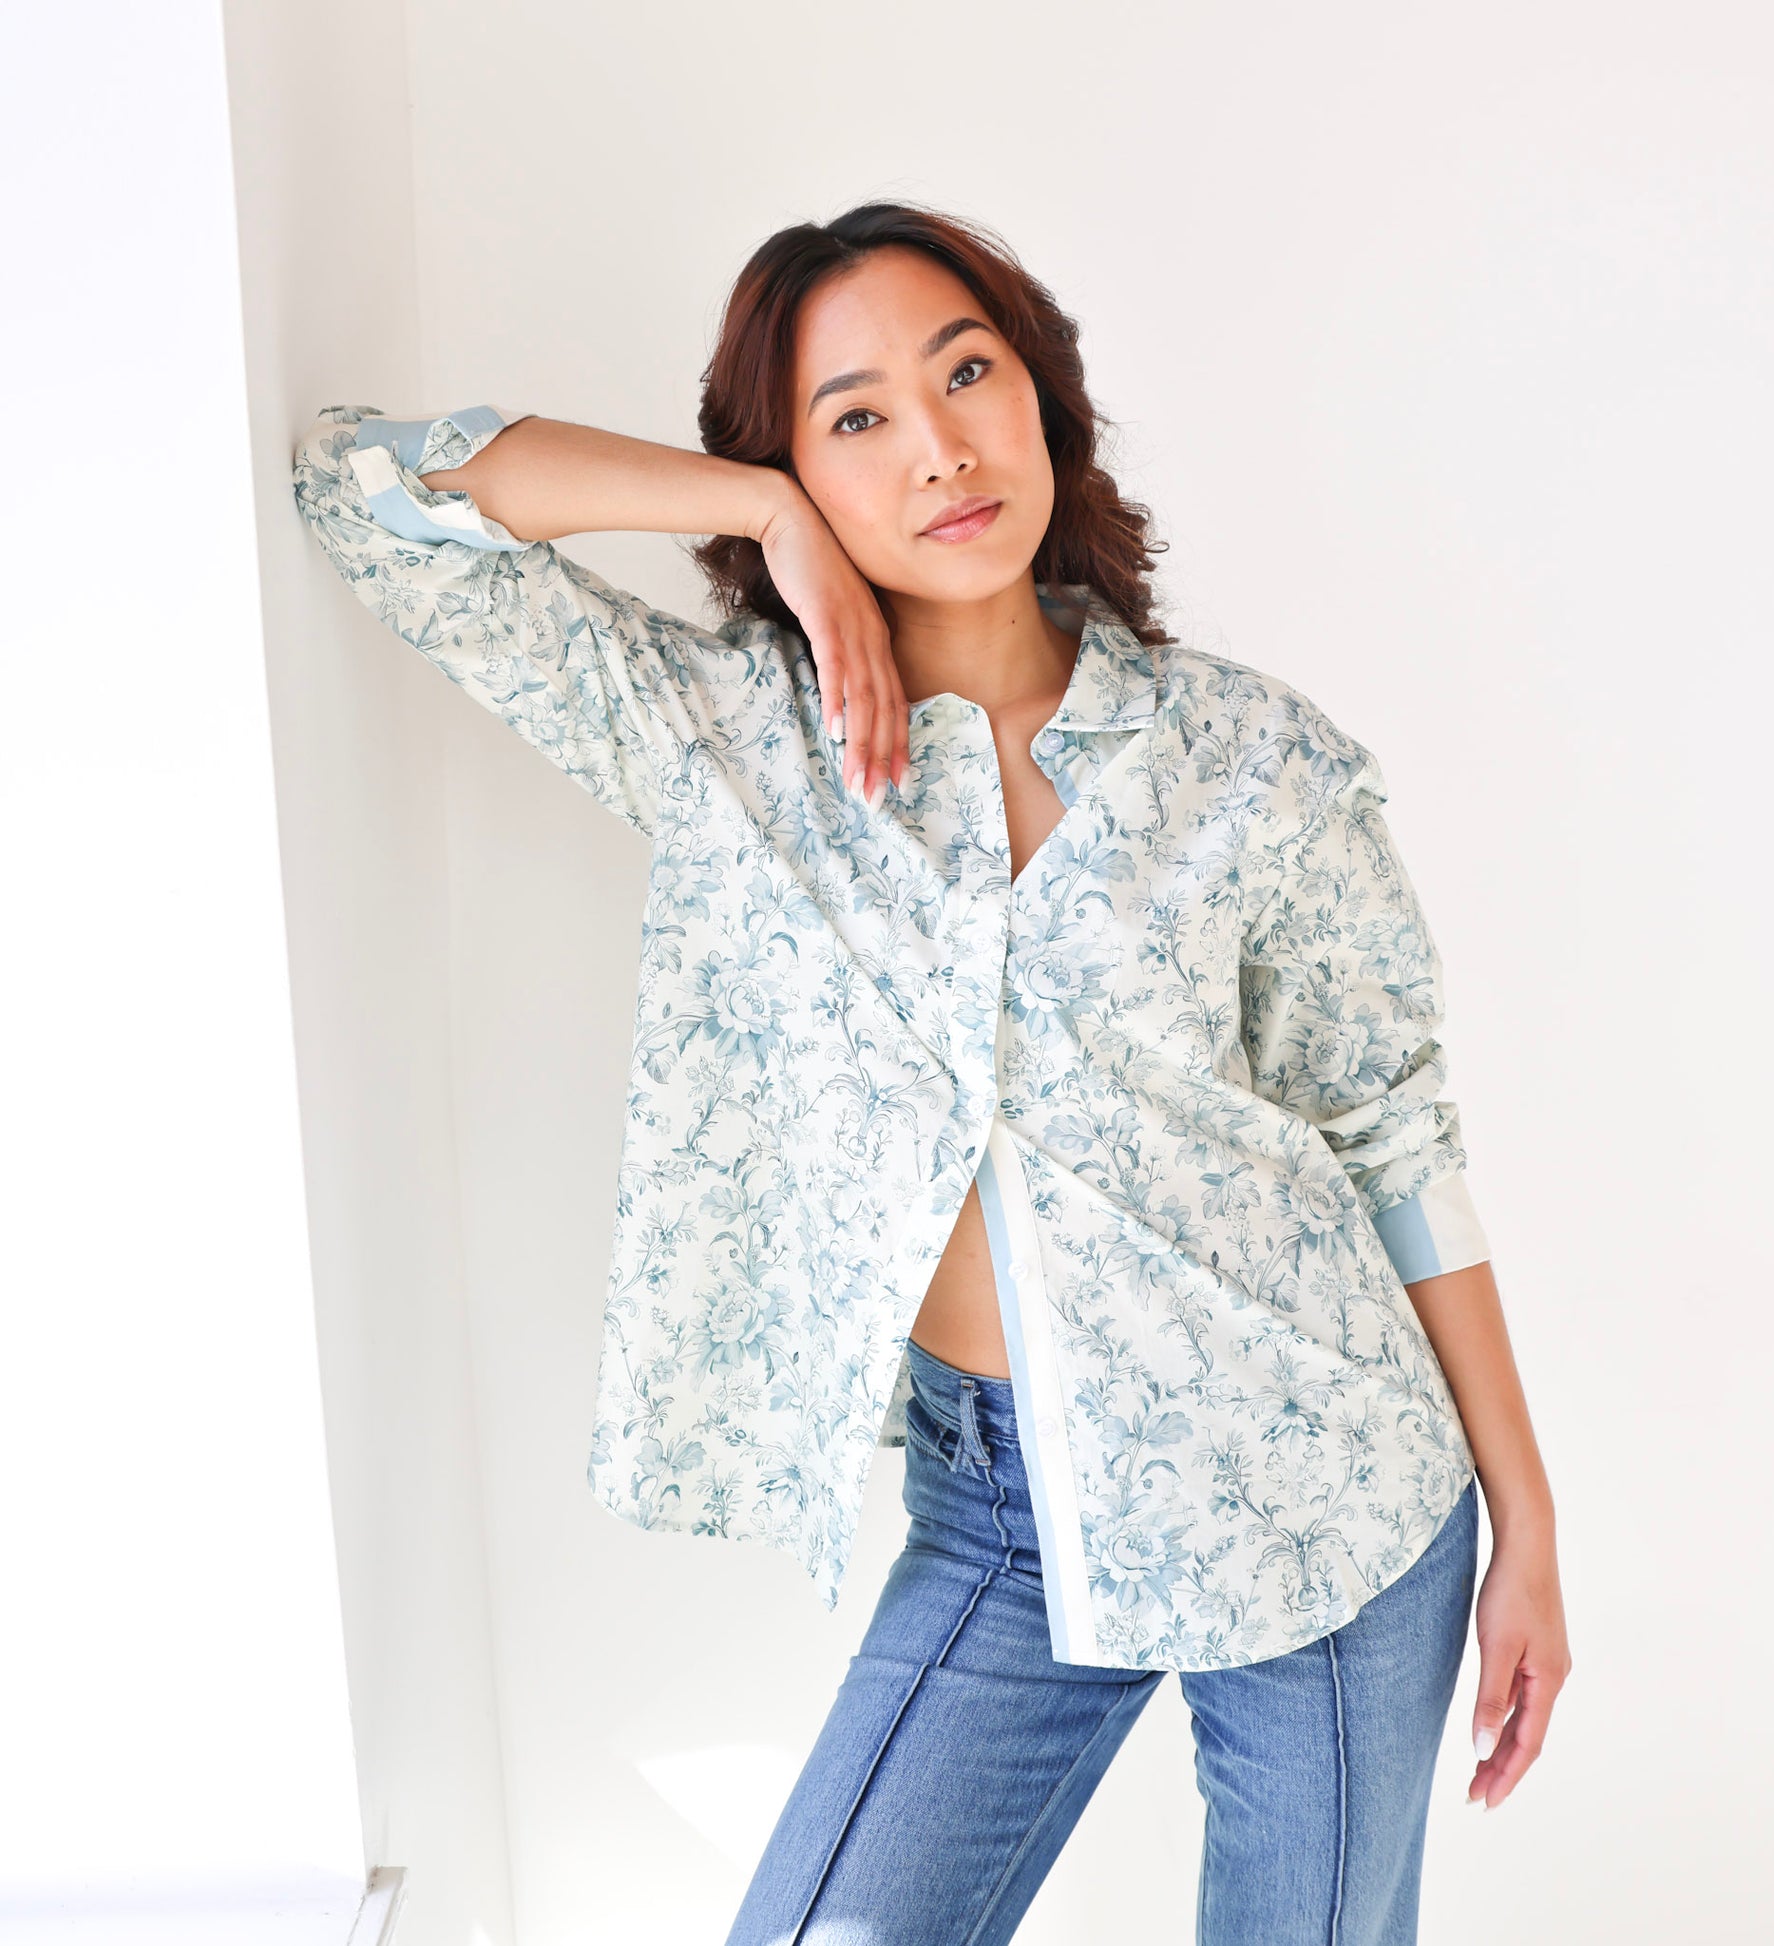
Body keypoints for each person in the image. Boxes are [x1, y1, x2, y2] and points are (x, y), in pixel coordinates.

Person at [293, 199, 1568, 1945]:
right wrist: (756, 514)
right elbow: (366, 487)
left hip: (1321, 1489)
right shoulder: (729, 741)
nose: (940, 448)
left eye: (967, 374)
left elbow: (1392, 1138)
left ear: (1042, 396)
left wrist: (1525, 1521)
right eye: (856, 416)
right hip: (997, 1514)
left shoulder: (1250, 759)